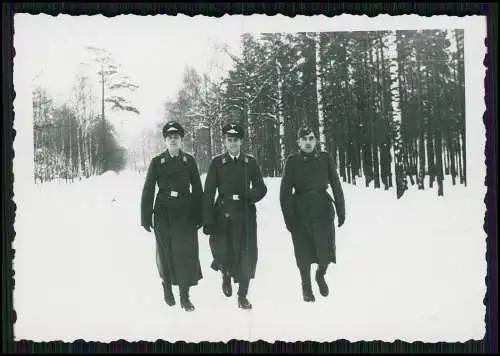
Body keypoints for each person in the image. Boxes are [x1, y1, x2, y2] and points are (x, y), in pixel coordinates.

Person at [202, 122, 268, 310]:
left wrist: (250, 195)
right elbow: (208, 193)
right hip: (223, 213)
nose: (233, 143)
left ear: (241, 142)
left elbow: (261, 188)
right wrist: (207, 220)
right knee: (223, 250)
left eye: (236, 140)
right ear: (225, 142)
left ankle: (243, 295)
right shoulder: (217, 163)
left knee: (247, 254)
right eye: (229, 140)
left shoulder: (250, 162)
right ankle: (225, 273)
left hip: (245, 214)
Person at [141, 121, 203, 312]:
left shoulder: (189, 161)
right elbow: (149, 190)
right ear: (165, 141)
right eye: (170, 137)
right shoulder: (157, 162)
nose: (173, 140)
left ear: (181, 140)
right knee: (166, 251)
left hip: (185, 213)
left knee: (184, 253)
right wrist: (145, 216)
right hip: (163, 213)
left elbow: (198, 190)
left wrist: (199, 215)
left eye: (176, 137)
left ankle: (185, 296)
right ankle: (167, 286)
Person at [279, 125, 346, 302]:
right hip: (300, 211)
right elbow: (284, 193)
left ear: (316, 141)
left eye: (311, 139)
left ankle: (320, 275)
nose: (308, 143)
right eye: (304, 139)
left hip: (323, 210)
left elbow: (336, 184)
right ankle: (306, 286)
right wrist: (288, 218)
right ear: (298, 142)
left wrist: (341, 210)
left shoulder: (325, 159)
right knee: (303, 252)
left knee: (326, 250)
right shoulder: (292, 162)